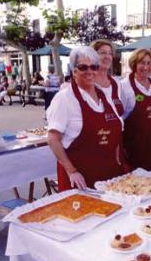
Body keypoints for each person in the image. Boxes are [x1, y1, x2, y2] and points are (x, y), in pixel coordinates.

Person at [47, 46, 124, 191]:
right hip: (81, 179)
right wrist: (71, 171)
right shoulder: (64, 98)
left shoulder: (104, 95)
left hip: (109, 176)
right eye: (83, 67)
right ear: (73, 70)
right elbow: (53, 139)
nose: (89, 71)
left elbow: (117, 128)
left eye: (93, 67)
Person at [121, 48, 151, 171]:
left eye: (149, 63)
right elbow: (119, 119)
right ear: (134, 64)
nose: (146, 67)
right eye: (142, 63)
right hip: (134, 147)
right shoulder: (125, 86)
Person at [90, 39, 124, 116]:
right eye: (103, 53)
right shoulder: (87, 82)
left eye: (110, 53)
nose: (107, 56)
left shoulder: (116, 83)